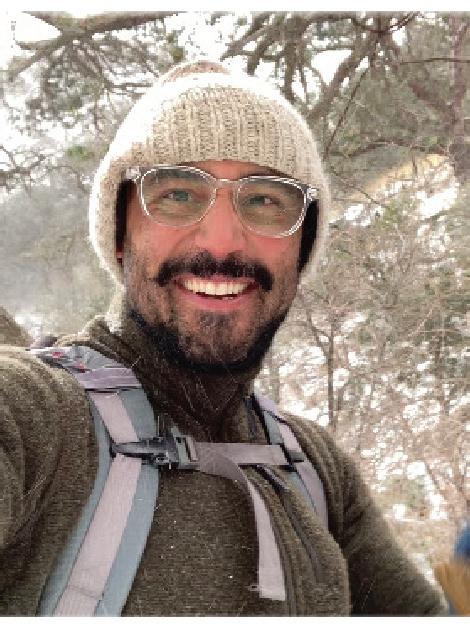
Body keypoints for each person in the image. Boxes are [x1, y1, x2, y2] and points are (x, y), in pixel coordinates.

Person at [0, 59, 447, 616]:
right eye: (177, 194)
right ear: (119, 235)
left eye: (265, 200)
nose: (221, 242)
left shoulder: (317, 470)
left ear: (302, 249)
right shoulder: (35, 418)